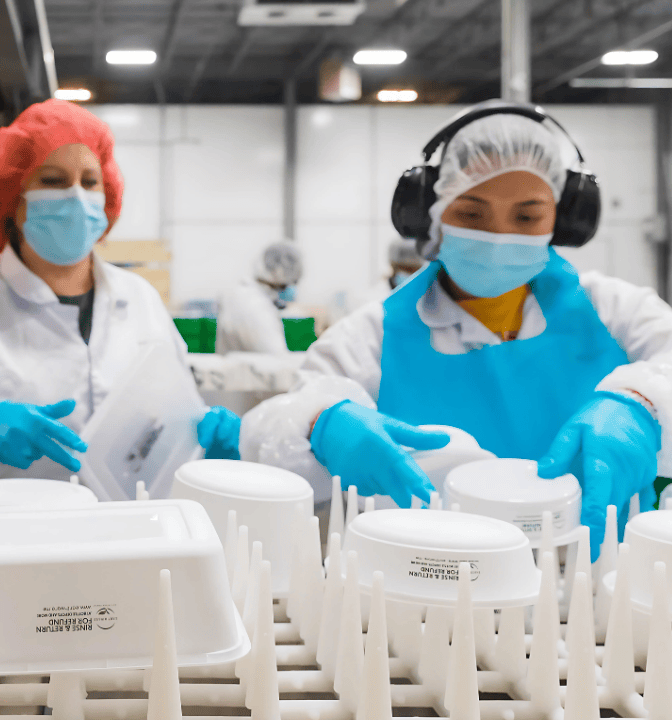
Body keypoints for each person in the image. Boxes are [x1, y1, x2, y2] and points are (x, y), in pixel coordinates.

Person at [240, 101, 672, 560]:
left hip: (601, 595)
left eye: (526, 217)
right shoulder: (371, 338)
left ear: (563, 221)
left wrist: (642, 404)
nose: (499, 236)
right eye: (471, 213)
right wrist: (320, 424)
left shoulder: (616, 313)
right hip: (431, 593)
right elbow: (267, 440)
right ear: (432, 213)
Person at [0, 99, 240, 489]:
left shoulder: (141, 300)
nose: (76, 197)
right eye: (54, 180)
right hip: (1, 538)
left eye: (90, 181)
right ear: (11, 197)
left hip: (133, 533)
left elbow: (174, 412)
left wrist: (203, 435)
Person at [216, 241, 303, 355]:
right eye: (288, 284)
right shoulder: (256, 307)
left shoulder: (240, 293)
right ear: (277, 272)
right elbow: (276, 357)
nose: (290, 289)